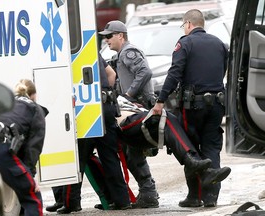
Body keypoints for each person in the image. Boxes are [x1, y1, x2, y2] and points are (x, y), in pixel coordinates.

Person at [152, 9, 230, 208]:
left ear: (188, 24)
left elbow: (174, 73)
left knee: (191, 148)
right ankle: (211, 197)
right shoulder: (219, 44)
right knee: (212, 147)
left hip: (193, 106)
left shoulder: (184, 43)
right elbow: (222, 70)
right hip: (217, 104)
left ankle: (194, 196)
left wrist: (160, 101)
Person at [46, 53, 132, 214]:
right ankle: (122, 200)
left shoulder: (67, 53)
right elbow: (111, 74)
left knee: (78, 159)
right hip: (106, 107)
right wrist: (104, 95)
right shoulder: (91, 50)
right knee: (109, 157)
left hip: (86, 112)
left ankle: (71, 203)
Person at [98, 20, 159, 208]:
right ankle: (148, 192)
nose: (106, 40)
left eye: (109, 36)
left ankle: (148, 192)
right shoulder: (120, 55)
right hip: (133, 108)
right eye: (105, 37)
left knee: (133, 151)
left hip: (138, 108)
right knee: (131, 151)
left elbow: (145, 72)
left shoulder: (128, 52)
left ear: (120, 36)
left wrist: (129, 95)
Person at [0, 79, 47, 216]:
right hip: (0, 146)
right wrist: (30, 175)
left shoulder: (3, 103)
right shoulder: (35, 109)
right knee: (32, 195)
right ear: (33, 95)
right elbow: (33, 148)